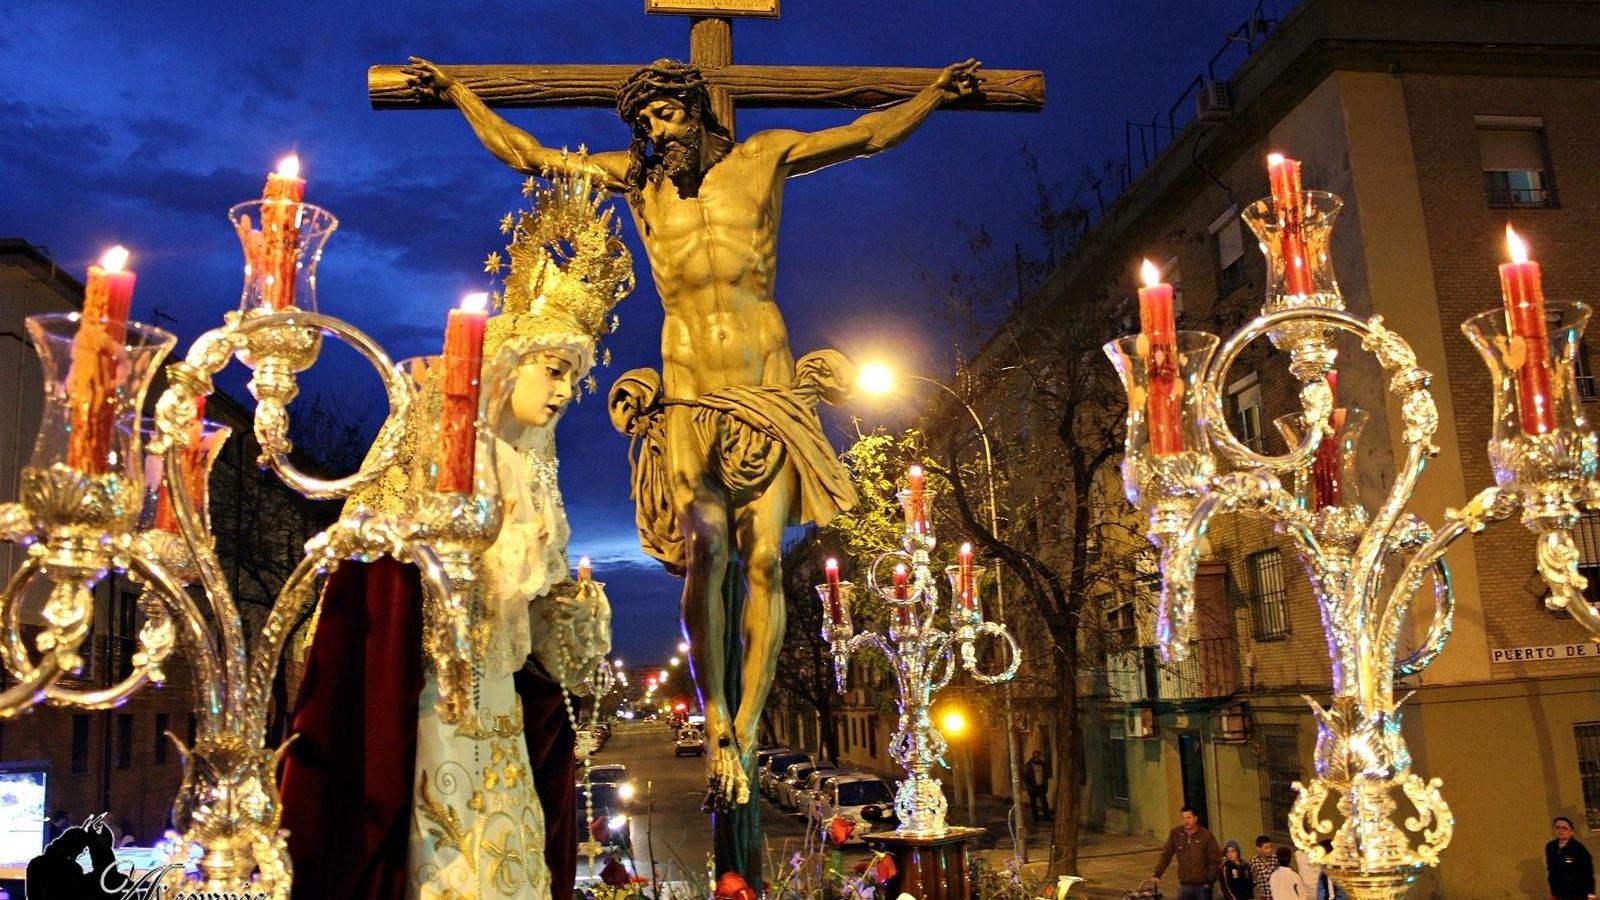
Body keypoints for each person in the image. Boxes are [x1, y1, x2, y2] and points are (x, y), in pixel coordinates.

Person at [403, 52, 979, 810]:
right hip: (687, 391)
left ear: (695, 107)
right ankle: (714, 719)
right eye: (642, 122)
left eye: (665, 113)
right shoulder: (640, 184)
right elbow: (531, 155)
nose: (654, 129)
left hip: (764, 384)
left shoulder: (764, 157)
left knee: (767, 560)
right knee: (707, 549)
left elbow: (867, 135)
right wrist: (457, 94)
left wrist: (933, 89)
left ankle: (744, 721)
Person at [279, 169, 625, 900]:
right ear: (504, 365)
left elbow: (538, 647)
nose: (565, 391)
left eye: (574, 377)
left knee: (514, 867)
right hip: (435, 704)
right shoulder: (434, 454)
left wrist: (570, 622)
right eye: (555, 369)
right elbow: (372, 567)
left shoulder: (535, 484)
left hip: (501, 715)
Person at [1153, 805, 1221, 899]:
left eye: (1188, 817)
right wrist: (1158, 874)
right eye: (1183, 818)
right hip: (1184, 885)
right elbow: (1166, 854)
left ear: (1195, 818)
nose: (1186, 821)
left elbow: (1214, 859)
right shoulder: (1176, 834)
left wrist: (1209, 881)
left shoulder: (1206, 836)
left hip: (1202, 886)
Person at [1547, 815, 1597, 900]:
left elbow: (1588, 874)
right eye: (1557, 827)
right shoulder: (1550, 847)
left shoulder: (1579, 850)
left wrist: (1591, 895)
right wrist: (1553, 892)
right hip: (1558, 893)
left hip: (1577, 894)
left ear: (1571, 831)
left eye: (1564, 828)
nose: (1560, 830)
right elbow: (1551, 870)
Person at [1024, 749, 1052, 822]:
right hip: (1033, 787)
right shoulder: (1029, 765)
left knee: (1044, 802)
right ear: (1033, 756)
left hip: (1041, 786)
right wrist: (1029, 786)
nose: (1037, 758)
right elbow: (1026, 777)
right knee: (1034, 803)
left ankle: (1047, 817)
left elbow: (1045, 775)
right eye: (1035, 756)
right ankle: (1036, 818)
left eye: (1038, 756)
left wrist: (1046, 786)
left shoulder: (1043, 764)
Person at [1248, 835, 1277, 900]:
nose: (1269, 850)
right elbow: (1252, 880)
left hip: (1275, 896)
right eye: (1266, 848)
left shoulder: (1275, 859)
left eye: (1270, 847)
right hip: (1262, 897)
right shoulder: (1254, 862)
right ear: (1259, 848)